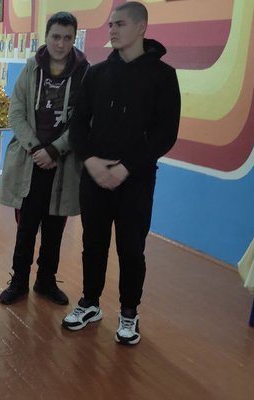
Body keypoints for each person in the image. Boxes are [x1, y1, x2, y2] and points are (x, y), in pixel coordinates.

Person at [62, 2, 181, 345]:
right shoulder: (96, 74)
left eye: (120, 24)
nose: (112, 30)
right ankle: (90, 303)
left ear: (141, 27)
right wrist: (90, 161)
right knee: (93, 243)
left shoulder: (163, 76)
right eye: (111, 24)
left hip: (136, 180)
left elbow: (164, 134)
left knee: (131, 249)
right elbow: (78, 124)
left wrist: (126, 167)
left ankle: (129, 312)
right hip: (95, 177)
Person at [0, 12, 89, 306]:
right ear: (46, 37)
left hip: (63, 163)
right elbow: (16, 112)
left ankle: (46, 281)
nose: (61, 44)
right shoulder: (31, 69)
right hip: (31, 161)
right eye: (55, 37)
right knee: (26, 227)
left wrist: (55, 150)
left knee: (54, 228)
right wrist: (37, 148)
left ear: (74, 39)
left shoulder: (85, 74)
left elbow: (84, 120)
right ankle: (19, 281)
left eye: (67, 38)